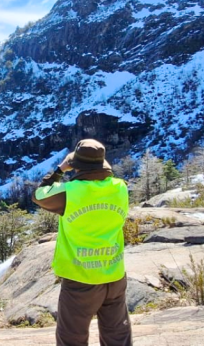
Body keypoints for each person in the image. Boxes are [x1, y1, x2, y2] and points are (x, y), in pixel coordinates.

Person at [32, 139, 132, 346]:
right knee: (117, 336)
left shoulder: (70, 192)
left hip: (81, 278)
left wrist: (61, 169)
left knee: (72, 338)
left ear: (76, 165)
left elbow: (39, 195)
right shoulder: (120, 188)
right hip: (114, 273)